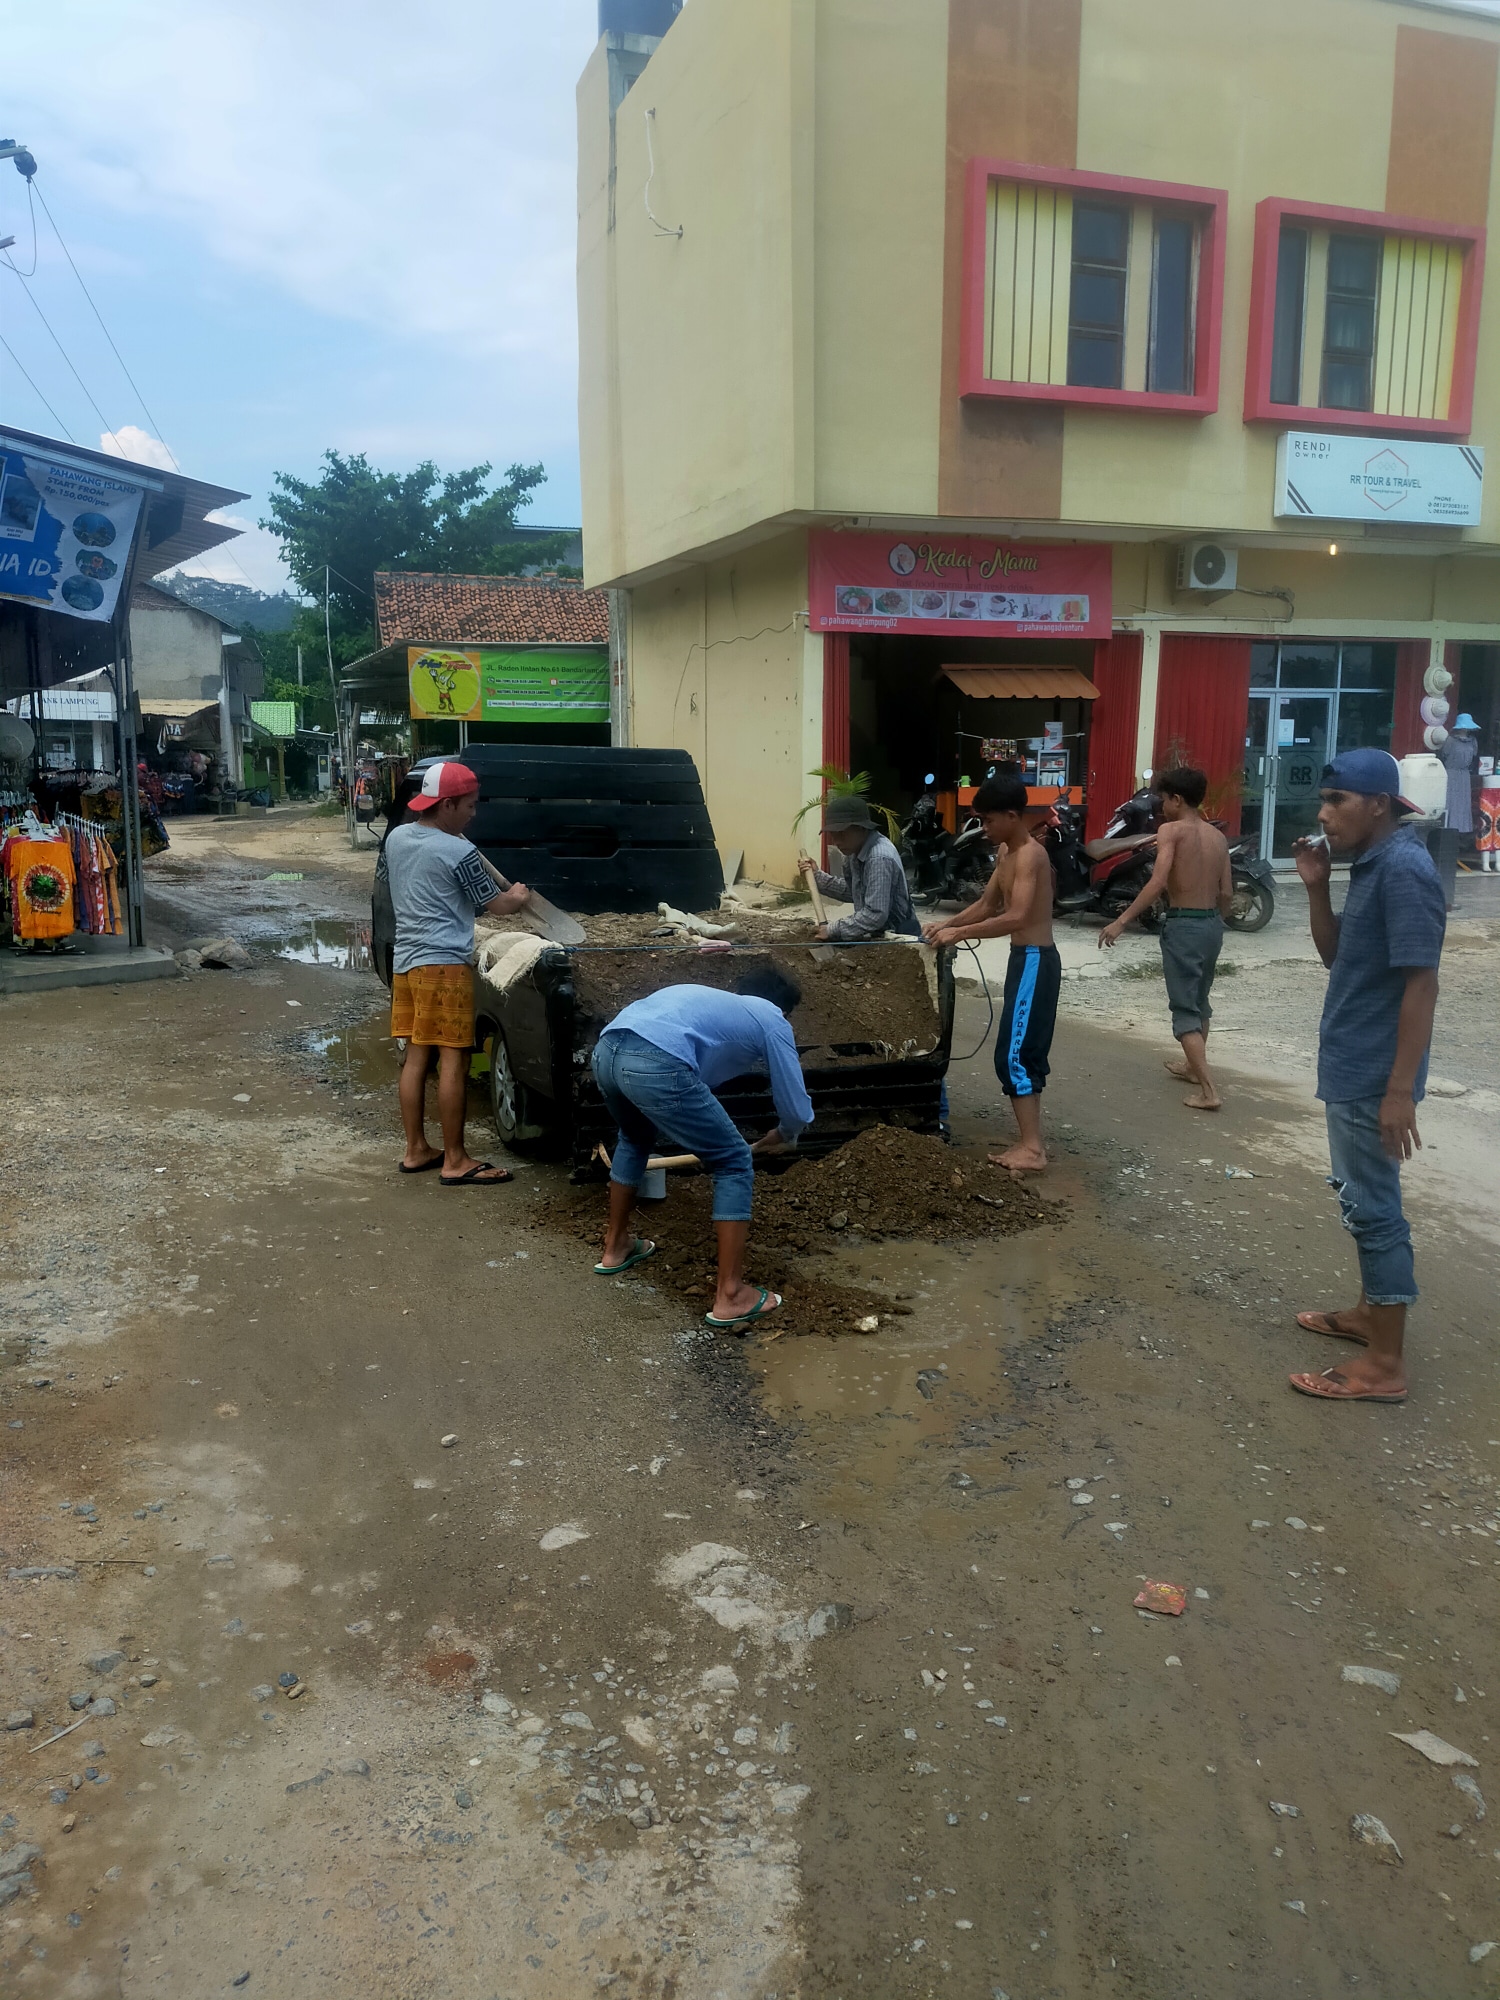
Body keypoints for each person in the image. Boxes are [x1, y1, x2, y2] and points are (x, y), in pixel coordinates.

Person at [1288, 748, 1445, 1405]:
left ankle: (1384, 1366)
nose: (1325, 814)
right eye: (1324, 800)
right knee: (1360, 1197)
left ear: (1378, 804)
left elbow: (1422, 985)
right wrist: (1318, 888)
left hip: (1373, 1075)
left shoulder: (1405, 869)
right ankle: (1365, 1315)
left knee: (1375, 1210)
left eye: (1337, 801)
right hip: (1353, 1065)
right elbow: (1337, 958)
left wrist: (1397, 1091)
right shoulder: (1371, 864)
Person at [592, 968, 814, 1331]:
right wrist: (788, 1133)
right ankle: (731, 1295)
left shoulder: (713, 1005)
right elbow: (795, 1104)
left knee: (634, 1138)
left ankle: (615, 1246)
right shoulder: (772, 1018)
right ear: (783, 1008)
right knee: (734, 1161)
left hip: (607, 1052)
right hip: (656, 1059)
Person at [384, 760, 530, 1186]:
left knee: (416, 1056)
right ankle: (455, 1159)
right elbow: (496, 905)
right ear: (446, 805)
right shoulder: (458, 851)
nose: (473, 813)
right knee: (454, 1058)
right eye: (469, 805)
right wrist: (518, 897)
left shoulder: (397, 839)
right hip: (445, 966)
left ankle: (415, 1150)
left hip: (407, 964)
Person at [923, 774, 1056, 1172]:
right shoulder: (1005, 851)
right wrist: (942, 926)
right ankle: (1031, 1143)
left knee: (1015, 1055)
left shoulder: (1032, 854)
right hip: (1024, 961)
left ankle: (1033, 1149)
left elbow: (1016, 917)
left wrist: (958, 933)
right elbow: (986, 905)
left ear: (1012, 816)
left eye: (989, 820)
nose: (985, 828)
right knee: (1020, 1051)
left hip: (1035, 958)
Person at [1098, 766, 1233, 1111]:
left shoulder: (1170, 831)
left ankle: (1208, 1091)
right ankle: (1192, 1067)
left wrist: (1121, 921)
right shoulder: (1218, 837)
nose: (1160, 806)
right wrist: (1217, 921)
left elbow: (1157, 882)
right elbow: (1227, 893)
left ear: (1177, 799)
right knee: (1200, 999)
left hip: (1184, 924)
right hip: (1211, 925)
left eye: (1163, 799)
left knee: (1184, 1008)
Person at [797, 794, 919, 941]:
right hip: (876, 934)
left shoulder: (879, 858)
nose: (836, 842)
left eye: (841, 834)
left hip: (897, 936)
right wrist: (818, 877)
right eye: (833, 835)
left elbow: (875, 914)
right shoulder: (854, 852)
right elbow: (855, 892)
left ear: (861, 828)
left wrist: (832, 929)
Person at [1436, 714, 1479, 839]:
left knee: (1463, 803)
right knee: (1450, 802)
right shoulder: (1450, 740)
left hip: (1464, 776)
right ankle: (1447, 829)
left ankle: (1462, 831)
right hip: (1451, 774)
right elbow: (1444, 756)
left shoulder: (1473, 741)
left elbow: (1474, 758)